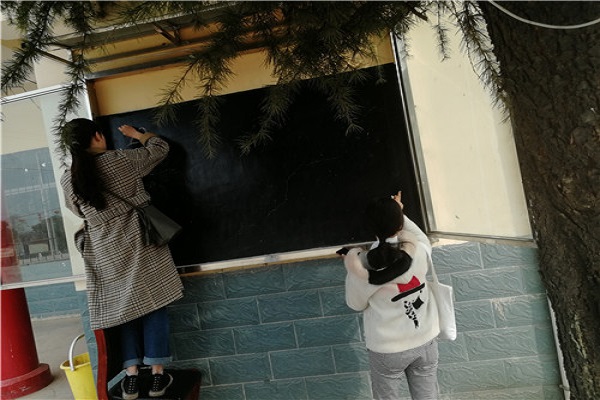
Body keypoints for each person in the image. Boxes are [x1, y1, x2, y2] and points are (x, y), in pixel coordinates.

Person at [60, 118, 184, 400]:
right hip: (139, 239)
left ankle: (131, 376)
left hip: (104, 249)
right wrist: (138, 135)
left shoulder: (69, 178)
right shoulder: (119, 160)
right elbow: (160, 149)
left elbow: (77, 211)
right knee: (154, 303)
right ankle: (157, 375)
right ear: (97, 136)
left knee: (123, 310)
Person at [342, 192, 440, 400]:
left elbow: (355, 304)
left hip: (387, 349)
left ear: (371, 228)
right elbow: (419, 235)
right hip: (424, 339)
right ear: (400, 224)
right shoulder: (419, 250)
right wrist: (399, 212)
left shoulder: (362, 267)